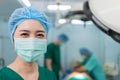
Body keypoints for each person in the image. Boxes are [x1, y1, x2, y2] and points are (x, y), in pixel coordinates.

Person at [0, 7, 57, 80]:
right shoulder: (2, 77)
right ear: (13, 37)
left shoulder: (50, 76)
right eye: (24, 34)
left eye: (40, 35)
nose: (32, 41)